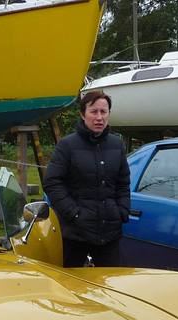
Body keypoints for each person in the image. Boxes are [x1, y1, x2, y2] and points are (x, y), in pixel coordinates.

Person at [43, 90, 131, 267]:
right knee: (70, 280)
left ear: (109, 114)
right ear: (83, 114)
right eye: (94, 111)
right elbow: (52, 182)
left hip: (109, 232)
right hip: (75, 232)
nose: (99, 117)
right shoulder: (67, 146)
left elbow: (123, 182)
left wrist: (122, 210)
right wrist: (74, 213)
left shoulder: (117, 145)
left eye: (103, 112)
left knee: (110, 280)